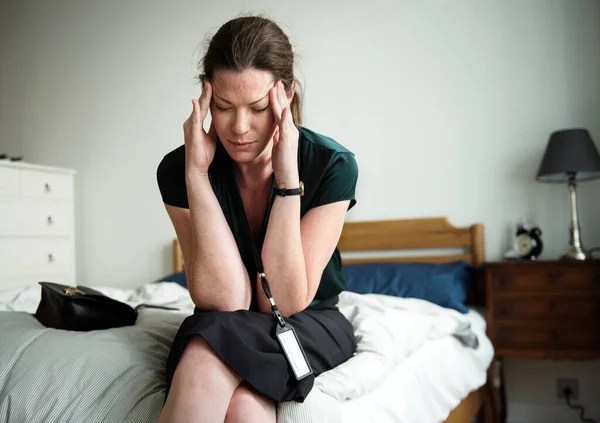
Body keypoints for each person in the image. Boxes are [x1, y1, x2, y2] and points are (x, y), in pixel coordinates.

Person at [156, 15, 359, 423]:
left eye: (259, 107)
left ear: (286, 95)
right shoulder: (178, 170)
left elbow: (281, 301)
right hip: (223, 320)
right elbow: (226, 300)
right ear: (205, 97)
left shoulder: (331, 165)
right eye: (224, 107)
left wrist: (287, 180)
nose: (240, 127)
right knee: (236, 394)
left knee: (208, 357)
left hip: (306, 320)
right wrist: (197, 177)